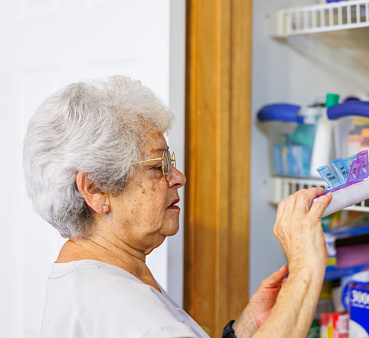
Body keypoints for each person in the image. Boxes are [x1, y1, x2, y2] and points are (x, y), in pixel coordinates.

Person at [23, 75, 333, 338]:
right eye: (159, 166)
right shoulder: (117, 305)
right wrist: (306, 267)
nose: (179, 177)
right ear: (95, 188)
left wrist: (245, 327)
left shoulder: (106, 276)